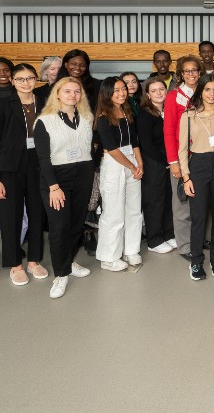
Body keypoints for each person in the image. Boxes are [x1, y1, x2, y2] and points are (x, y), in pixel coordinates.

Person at [33, 76, 95, 299]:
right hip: (56, 178)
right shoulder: (45, 121)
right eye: (67, 91)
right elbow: (43, 158)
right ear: (57, 94)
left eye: (76, 91)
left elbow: (90, 148)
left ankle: (69, 261)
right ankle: (60, 274)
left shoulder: (86, 117)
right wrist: (53, 186)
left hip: (83, 175)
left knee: (76, 223)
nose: (72, 95)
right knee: (59, 226)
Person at [0, 63, 48, 286]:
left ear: (36, 80)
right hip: (10, 168)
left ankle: (34, 260)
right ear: (12, 81)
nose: (26, 83)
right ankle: (15, 264)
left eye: (30, 78)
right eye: (20, 79)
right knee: (10, 216)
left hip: (38, 165)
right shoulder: (3, 106)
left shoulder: (44, 103)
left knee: (36, 214)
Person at [178, 74, 214, 280]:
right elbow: (182, 150)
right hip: (198, 167)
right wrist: (186, 178)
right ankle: (196, 261)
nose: (211, 94)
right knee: (199, 217)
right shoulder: (188, 116)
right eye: (207, 90)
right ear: (200, 91)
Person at [95, 77, 144, 272]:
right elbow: (112, 148)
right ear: (107, 93)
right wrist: (132, 166)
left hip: (132, 159)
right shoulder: (103, 118)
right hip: (114, 163)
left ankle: (131, 250)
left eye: (123, 89)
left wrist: (139, 163)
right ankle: (109, 257)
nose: (122, 93)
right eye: (116, 90)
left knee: (134, 209)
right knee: (113, 212)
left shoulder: (127, 111)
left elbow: (135, 141)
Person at [163, 55, 204, 260]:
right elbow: (169, 131)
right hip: (182, 158)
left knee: (200, 202)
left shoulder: (206, 93)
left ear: (199, 72)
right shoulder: (173, 96)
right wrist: (173, 162)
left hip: (203, 157)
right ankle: (185, 245)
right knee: (182, 205)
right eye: (186, 71)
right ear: (180, 74)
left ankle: (196, 237)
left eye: (194, 70)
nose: (191, 74)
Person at [136, 77, 176, 254]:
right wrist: (166, 161)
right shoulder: (145, 113)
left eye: (162, 89)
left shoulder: (169, 110)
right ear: (147, 94)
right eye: (154, 90)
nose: (159, 93)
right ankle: (154, 239)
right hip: (154, 163)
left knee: (168, 198)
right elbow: (147, 143)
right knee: (154, 201)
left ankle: (168, 233)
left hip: (169, 161)